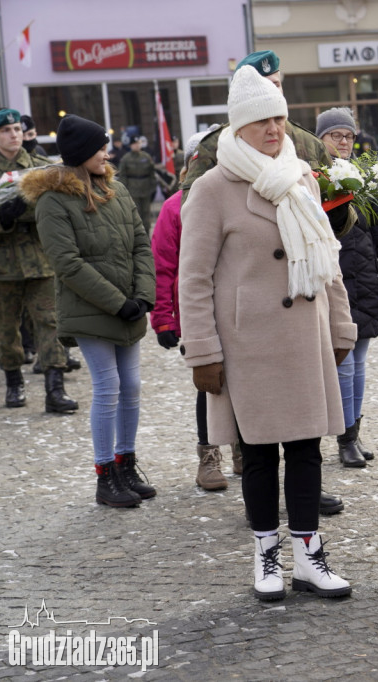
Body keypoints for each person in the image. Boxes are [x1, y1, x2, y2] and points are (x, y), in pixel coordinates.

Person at [178, 65, 357, 600]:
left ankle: (309, 554)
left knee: (306, 450)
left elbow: (328, 254)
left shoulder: (301, 175)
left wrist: (342, 322)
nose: (274, 129)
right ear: (238, 127)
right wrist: (202, 351)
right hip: (247, 345)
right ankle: (266, 555)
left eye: (279, 118)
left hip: (303, 335)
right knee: (257, 456)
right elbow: (193, 277)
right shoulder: (212, 188)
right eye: (262, 121)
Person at [25, 114, 155, 506]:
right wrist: (118, 303)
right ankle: (105, 475)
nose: (107, 152)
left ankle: (125, 461)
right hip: (92, 309)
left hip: (128, 307)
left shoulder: (115, 190)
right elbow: (67, 263)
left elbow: (140, 243)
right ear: (81, 153)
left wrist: (142, 295)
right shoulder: (52, 201)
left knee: (130, 388)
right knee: (108, 387)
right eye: (100, 147)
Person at [315, 107, 378, 468]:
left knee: (360, 362)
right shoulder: (314, 177)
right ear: (320, 139)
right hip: (334, 286)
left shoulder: (365, 181)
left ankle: (353, 433)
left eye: (348, 135)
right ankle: (344, 437)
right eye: (335, 135)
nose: (342, 142)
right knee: (345, 365)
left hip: (366, 282)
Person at [151, 126, 236, 492]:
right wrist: (163, 318)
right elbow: (163, 265)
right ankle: (208, 456)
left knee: (244, 382)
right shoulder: (175, 207)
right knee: (210, 385)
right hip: (198, 312)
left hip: (236, 307)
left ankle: (244, 449)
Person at [0, 107, 77, 414]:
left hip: (41, 260)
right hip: (2, 267)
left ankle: (55, 388)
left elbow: (57, 208)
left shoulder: (42, 168)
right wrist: (3, 218)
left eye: (17, 129)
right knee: (6, 328)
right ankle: (14, 380)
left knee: (51, 322)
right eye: (6, 131)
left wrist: (24, 207)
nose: (13, 135)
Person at [180, 50, 332, 206]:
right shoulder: (213, 147)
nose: (270, 91)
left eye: (275, 84)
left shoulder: (310, 143)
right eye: (262, 85)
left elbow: (337, 212)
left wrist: (339, 218)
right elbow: (191, 211)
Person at [118, 135, 157, 234]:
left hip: (145, 189)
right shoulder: (126, 158)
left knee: (146, 213)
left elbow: (152, 173)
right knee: (136, 213)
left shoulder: (146, 157)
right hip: (133, 190)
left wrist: (153, 187)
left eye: (138, 143)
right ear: (131, 145)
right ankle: (139, 235)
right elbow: (123, 175)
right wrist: (125, 190)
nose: (136, 146)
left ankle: (147, 234)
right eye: (134, 144)